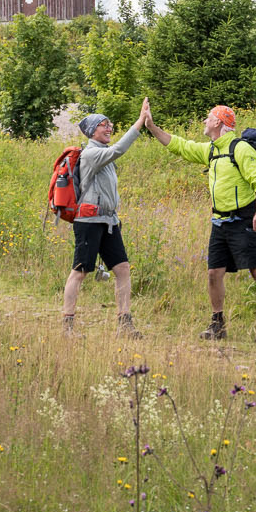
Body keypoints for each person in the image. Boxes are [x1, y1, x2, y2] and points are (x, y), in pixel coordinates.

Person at [142, 103, 256, 343]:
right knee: (214, 273)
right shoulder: (212, 150)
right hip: (220, 222)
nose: (204, 122)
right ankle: (218, 324)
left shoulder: (241, 149)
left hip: (246, 219)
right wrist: (152, 127)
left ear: (218, 122)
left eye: (208, 118)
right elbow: (180, 146)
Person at [62, 102, 148, 337]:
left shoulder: (102, 154)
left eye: (110, 125)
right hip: (88, 221)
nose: (109, 128)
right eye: (103, 125)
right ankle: (68, 326)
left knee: (122, 268)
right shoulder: (92, 153)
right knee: (80, 270)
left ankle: (124, 323)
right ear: (91, 131)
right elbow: (118, 150)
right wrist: (139, 123)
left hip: (108, 221)